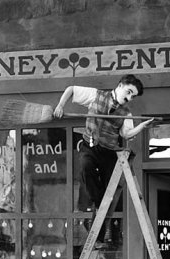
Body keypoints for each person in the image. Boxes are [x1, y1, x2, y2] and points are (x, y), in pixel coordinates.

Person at [53, 74, 153, 243]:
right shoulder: (96, 95)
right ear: (120, 85)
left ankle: (98, 236)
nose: (128, 98)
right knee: (86, 167)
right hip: (90, 146)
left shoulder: (126, 113)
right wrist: (60, 106)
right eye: (128, 92)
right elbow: (71, 89)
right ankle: (98, 202)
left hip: (109, 151)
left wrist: (142, 126)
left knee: (109, 192)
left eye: (132, 96)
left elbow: (126, 134)